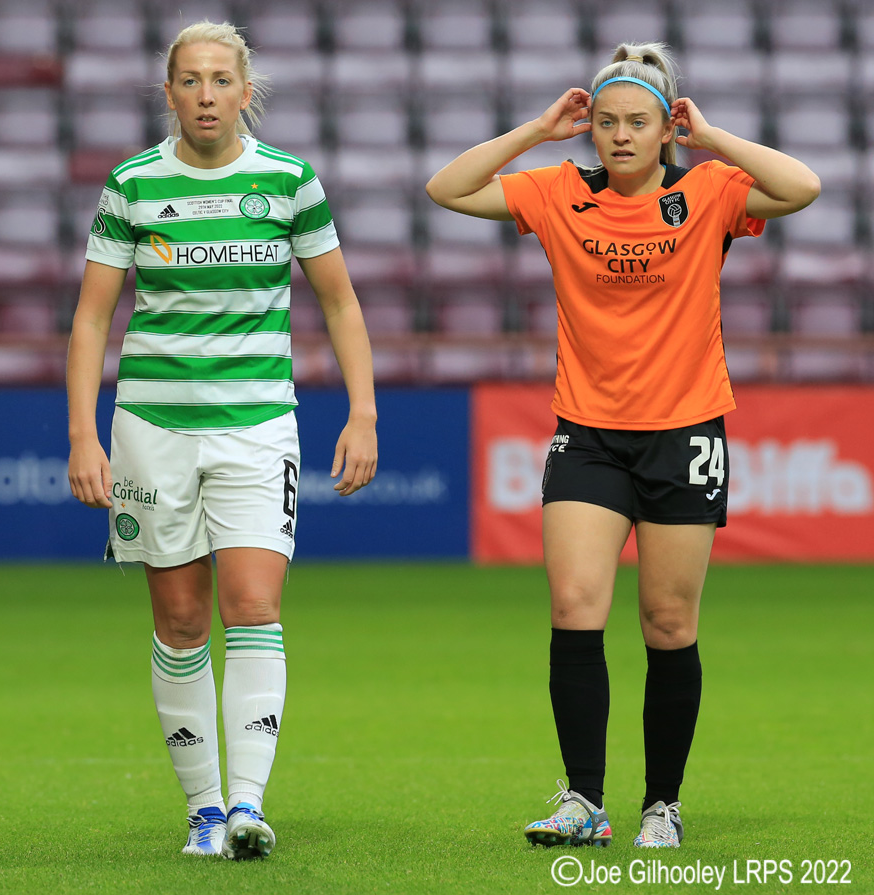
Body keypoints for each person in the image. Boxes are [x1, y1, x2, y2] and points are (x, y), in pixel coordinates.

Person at [426, 42, 819, 848]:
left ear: (667, 127)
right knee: (574, 607)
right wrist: (537, 131)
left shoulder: (708, 190)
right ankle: (583, 801)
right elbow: (446, 188)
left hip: (685, 432)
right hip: (589, 435)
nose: (621, 135)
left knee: (668, 623)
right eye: (606, 122)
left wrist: (713, 138)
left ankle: (661, 805)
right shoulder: (559, 191)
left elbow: (802, 187)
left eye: (639, 121)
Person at [67, 21, 378, 860]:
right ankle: (203, 809)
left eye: (220, 80)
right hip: (152, 429)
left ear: (246, 91)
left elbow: (341, 302)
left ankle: (246, 803)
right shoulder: (133, 183)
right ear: (169, 93)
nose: (206, 95)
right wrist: (84, 434)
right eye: (190, 80)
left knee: (253, 606)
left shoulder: (289, 182)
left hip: (257, 427)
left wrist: (364, 412)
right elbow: (92, 317)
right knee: (179, 620)